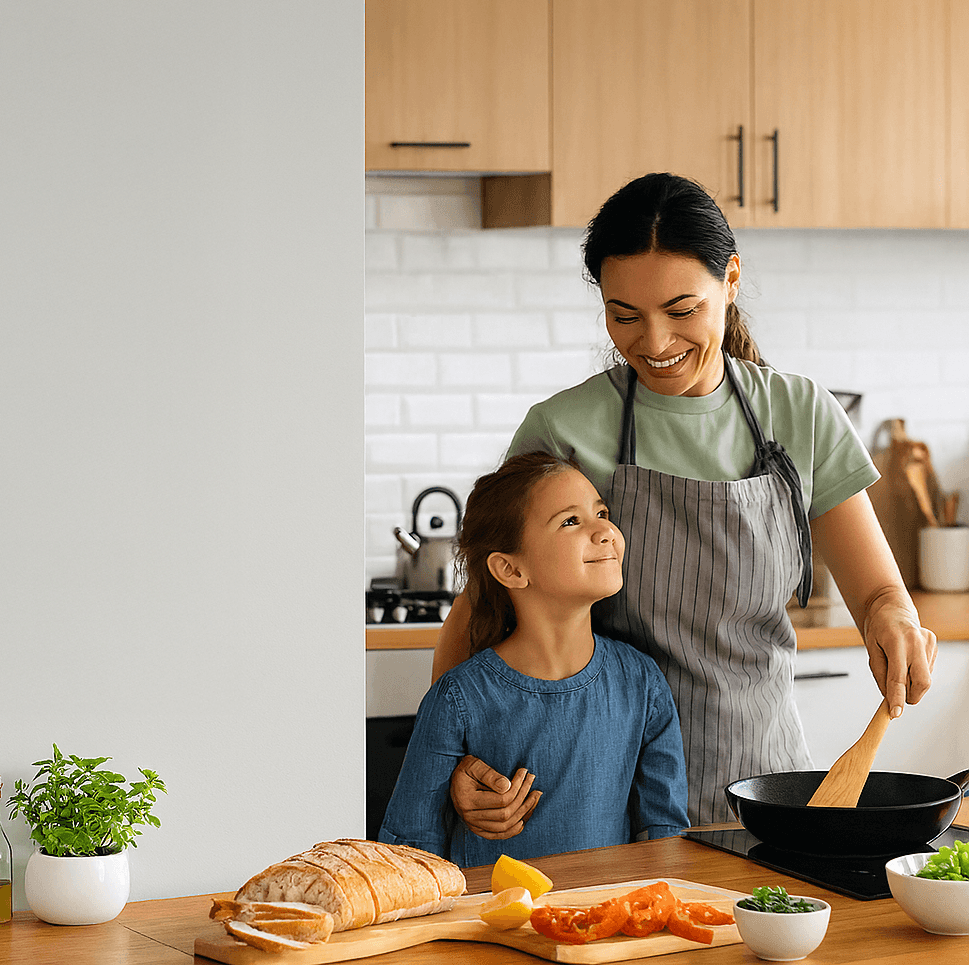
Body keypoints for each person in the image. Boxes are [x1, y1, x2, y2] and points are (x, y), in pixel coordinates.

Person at [434, 172, 940, 835]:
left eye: (681, 310)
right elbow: (480, 613)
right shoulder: (564, 429)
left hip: (763, 796)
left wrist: (895, 621)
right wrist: (455, 760)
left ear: (730, 280)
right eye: (624, 316)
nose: (653, 341)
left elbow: (877, 593)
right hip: (596, 802)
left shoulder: (800, 412)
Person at [379, 452, 687, 865]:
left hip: (604, 924)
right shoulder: (457, 698)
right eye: (571, 521)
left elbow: (665, 836)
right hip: (489, 926)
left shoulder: (642, 682)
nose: (606, 531)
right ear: (509, 569)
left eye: (601, 512)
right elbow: (412, 850)